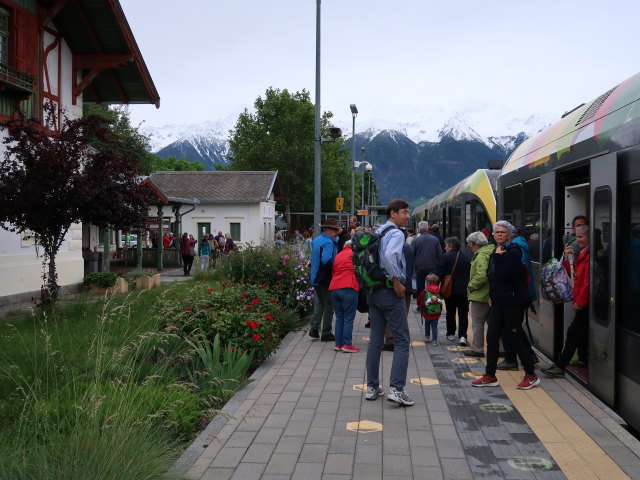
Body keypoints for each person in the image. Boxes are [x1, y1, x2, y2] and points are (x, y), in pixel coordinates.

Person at [472, 220, 540, 390]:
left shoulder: (514, 252)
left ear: (509, 235)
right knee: (492, 337)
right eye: (497, 232)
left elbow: (505, 275)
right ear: (493, 235)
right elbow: (492, 277)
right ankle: (490, 375)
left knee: (515, 337)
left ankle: (531, 375)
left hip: (512, 302)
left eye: (503, 232)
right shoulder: (498, 252)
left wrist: (498, 256)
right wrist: (491, 296)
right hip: (498, 302)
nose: (499, 234)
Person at [365, 198, 415, 406]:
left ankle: (372, 386)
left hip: (373, 291)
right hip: (388, 290)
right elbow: (390, 255)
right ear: (393, 213)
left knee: (376, 340)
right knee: (402, 340)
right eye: (404, 212)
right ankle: (397, 389)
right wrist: (396, 281)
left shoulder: (378, 232)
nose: (408, 215)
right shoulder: (396, 233)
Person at [542, 225, 590, 377]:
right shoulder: (583, 254)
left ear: (589, 238)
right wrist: (568, 258)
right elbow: (575, 274)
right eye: (577, 237)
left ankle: (560, 366)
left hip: (585, 303)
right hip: (583, 301)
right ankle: (581, 359)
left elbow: (587, 283)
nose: (577, 240)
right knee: (578, 333)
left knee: (573, 332)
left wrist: (580, 302)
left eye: (581, 237)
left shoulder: (588, 256)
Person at [433, 237, 471, 345]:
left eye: (446, 246)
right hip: (464, 290)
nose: (445, 248)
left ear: (450, 246)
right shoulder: (466, 258)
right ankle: (463, 336)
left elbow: (439, 272)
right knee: (463, 313)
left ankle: (450, 333)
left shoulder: (445, 257)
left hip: (450, 290)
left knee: (450, 312)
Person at [464, 231, 495, 357]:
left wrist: (471, 286)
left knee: (477, 322)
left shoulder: (481, 255)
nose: (469, 246)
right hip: (489, 293)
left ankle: (477, 349)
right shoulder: (490, 251)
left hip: (480, 295)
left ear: (473, 244)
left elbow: (481, 275)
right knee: (493, 324)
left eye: (469, 244)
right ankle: (502, 348)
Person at [309, 218, 340, 342]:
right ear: (328, 230)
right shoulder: (328, 242)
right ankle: (326, 333)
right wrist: (335, 268)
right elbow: (326, 260)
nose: (336, 232)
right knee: (329, 306)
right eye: (335, 230)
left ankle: (314, 329)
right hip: (325, 278)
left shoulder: (317, 240)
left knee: (320, 303)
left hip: (315, 277)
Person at [329, 239, 360, 352]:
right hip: (349, 287)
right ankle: (347, 344)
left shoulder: (338, 255)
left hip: (334, 288)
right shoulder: (355, 255)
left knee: (339, 318)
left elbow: (333, 271)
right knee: (348, 318)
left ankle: (338, 344)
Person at [412, 221, 442, 296]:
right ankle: (431, 303)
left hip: (419, 267)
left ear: (419, 229)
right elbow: (440, 254)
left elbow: (413, 254)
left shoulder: (416, 240)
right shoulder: (435, 239)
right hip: (432, 267)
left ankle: (420, 304)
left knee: (420, 286)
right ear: (428, 228)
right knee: (432, 286)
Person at [417, 274, 442, 346]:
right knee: (434, 326)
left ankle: (427, 337)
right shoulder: (438, 291)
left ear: (427, 282)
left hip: (426, 312)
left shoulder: (424, 292)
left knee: (427, 324)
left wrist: (421, 306)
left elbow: (419, 302)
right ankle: (434, 340)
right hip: (436, 313)